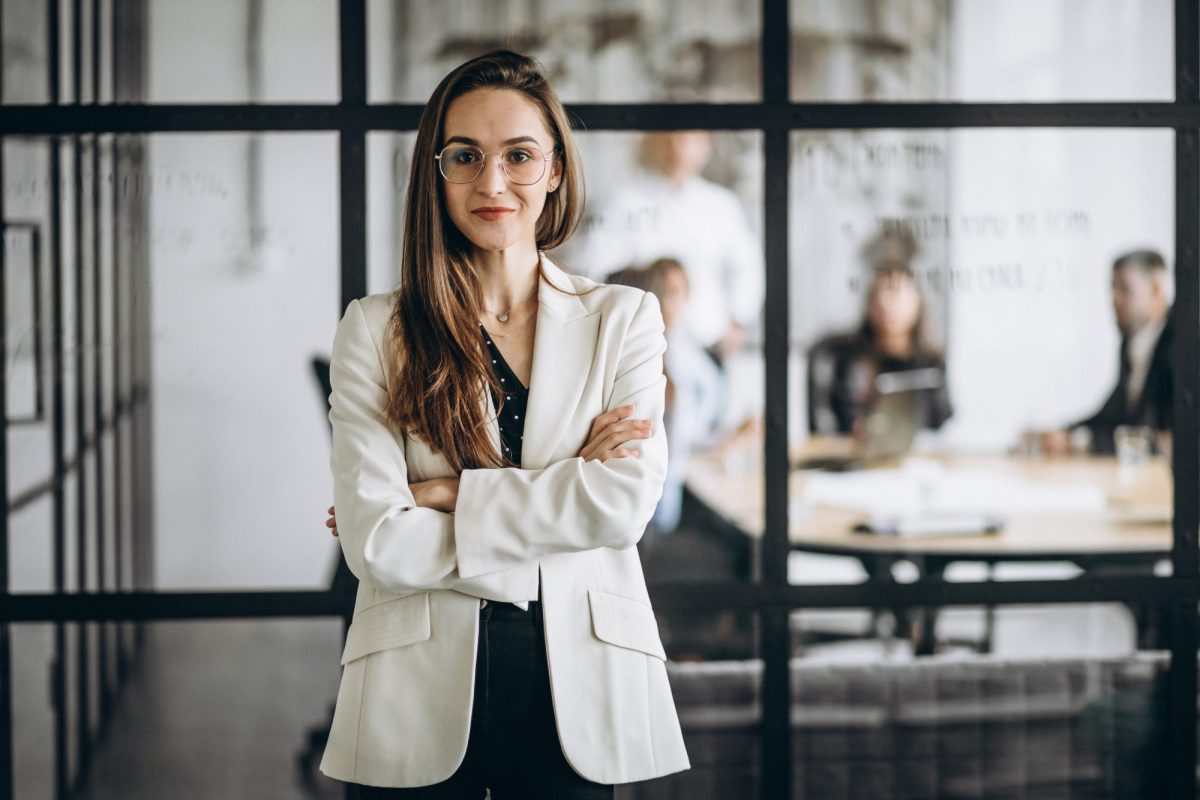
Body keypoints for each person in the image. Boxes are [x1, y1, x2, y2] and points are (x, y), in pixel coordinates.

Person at [319, 50, 688, 797]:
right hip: (411, 680)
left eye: (519, 155)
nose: (492, 183)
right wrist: (560, 494)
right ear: (437, 171)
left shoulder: (623, 320)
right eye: (465, 156)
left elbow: (622, 505)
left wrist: (450, 495)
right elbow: (378, 540)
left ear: (554, 169)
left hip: (576, 683)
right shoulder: (374, 330)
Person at [573, 131, 763, 363]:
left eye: (690, 138)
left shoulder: (721, 205)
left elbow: (747, 266)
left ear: (707, 145)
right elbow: (596, 267)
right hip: (641, 343)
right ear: (653, 142)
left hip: (708, 340)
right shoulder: (625, 201)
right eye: (670, 137)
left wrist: (738, 321)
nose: (678, 147)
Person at [605, 258, 724, 534]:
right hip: (645, 514)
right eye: (670, 294)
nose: (678, 305)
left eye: (682, 294)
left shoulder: (683, 356)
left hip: (664, 506)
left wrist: (725, 441)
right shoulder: (643, 363)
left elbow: (687, 439)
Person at [1041, 249, 1174, 455]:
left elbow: (1157, 438)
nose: (1115, 300)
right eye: (1113, 289)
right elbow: (1114, 414)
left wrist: (1080, 441)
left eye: (1125, 289)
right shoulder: (1131, 344)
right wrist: (1066, 432)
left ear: (1156, 290)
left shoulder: (1181, 345)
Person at [807, 255, 952, 436]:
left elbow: (941, 422)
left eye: (894, 292)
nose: (885, 303)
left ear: (916, 300)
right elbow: (829, 426)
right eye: (877, 294)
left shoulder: (931, 362)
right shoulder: (841, 359)